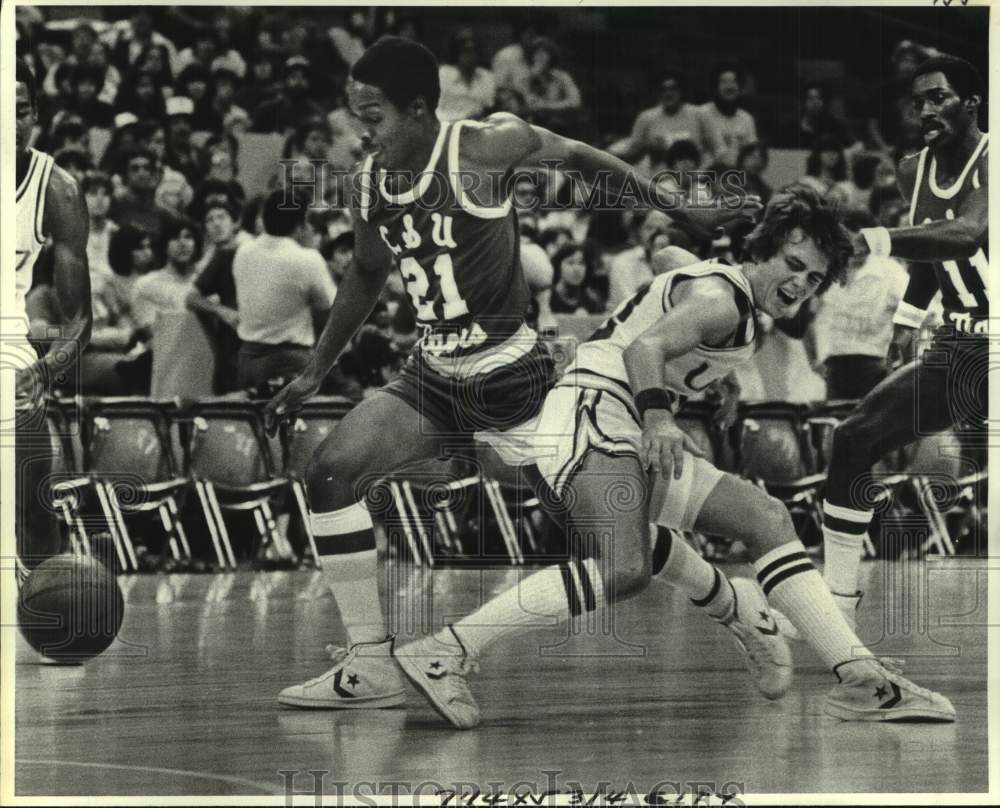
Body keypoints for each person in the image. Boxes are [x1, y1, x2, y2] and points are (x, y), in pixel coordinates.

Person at [264, 36, 755, 710]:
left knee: (625, 547)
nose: (361, 132)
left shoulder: (487, 147)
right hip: (431, 379)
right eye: (355, 116)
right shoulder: (372, 181)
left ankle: (734, 603)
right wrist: (319, 366)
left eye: (373, 116)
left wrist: (679, 207)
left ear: (417, 110)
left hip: (521, 383)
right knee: (329, 471)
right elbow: (368, 273)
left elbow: (582, 158)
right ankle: (371, 663)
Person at [397, 187, 954, 728]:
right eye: (792, 264)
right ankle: (444, 650)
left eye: (812, 279)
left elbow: (667, 256)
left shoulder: (724, 291)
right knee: (626, 567)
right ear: (759, 252)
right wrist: (661, 415)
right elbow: (646, 347)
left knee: (765, 518)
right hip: (596, 409)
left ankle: (854, 674)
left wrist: (713, 382)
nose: (799, 285)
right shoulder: (721, 301)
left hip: (614, 417)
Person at [808, 55, 988, 628]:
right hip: (960, 343)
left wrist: (871, 238)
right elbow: (930, 253)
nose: (926, 110)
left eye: (939, 97)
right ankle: (837, 601)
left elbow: (966, 234)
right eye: (919, 102)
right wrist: (907, 325)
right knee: (856, 438)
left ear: (972, 103)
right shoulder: (914, 169)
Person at [13, 59, 93, 578]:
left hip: (6, 340)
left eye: (20, 111)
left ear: (36, 116)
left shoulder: (57, 189)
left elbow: (81, 317)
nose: (10, 122)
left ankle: (43, 600)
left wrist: (47, 368)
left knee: (33, 481)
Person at [231, 190, 336, 393]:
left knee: (252, 422)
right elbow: (330, 308)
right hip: (289, 361)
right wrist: (308, 247)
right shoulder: (307, 259)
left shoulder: (243, 251)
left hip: (247, 361)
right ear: (300, 225)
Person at [699, 64, 758, 167]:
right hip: (706, 178)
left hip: (737, 179)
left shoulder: (747, 119)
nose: (729, 86)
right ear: (715, 87)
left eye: (734, 81)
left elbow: (752, 156)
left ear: (740, 87)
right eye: (723, 82)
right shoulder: (701, 113)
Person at [437, 30, 495, 123]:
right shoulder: (442, 74)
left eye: (473, 51)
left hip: (478, 128)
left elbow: (488, 107)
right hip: (447, 125)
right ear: (456, 53)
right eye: (465, 52)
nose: (470, 56)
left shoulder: (487, 76)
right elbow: (437, 109)